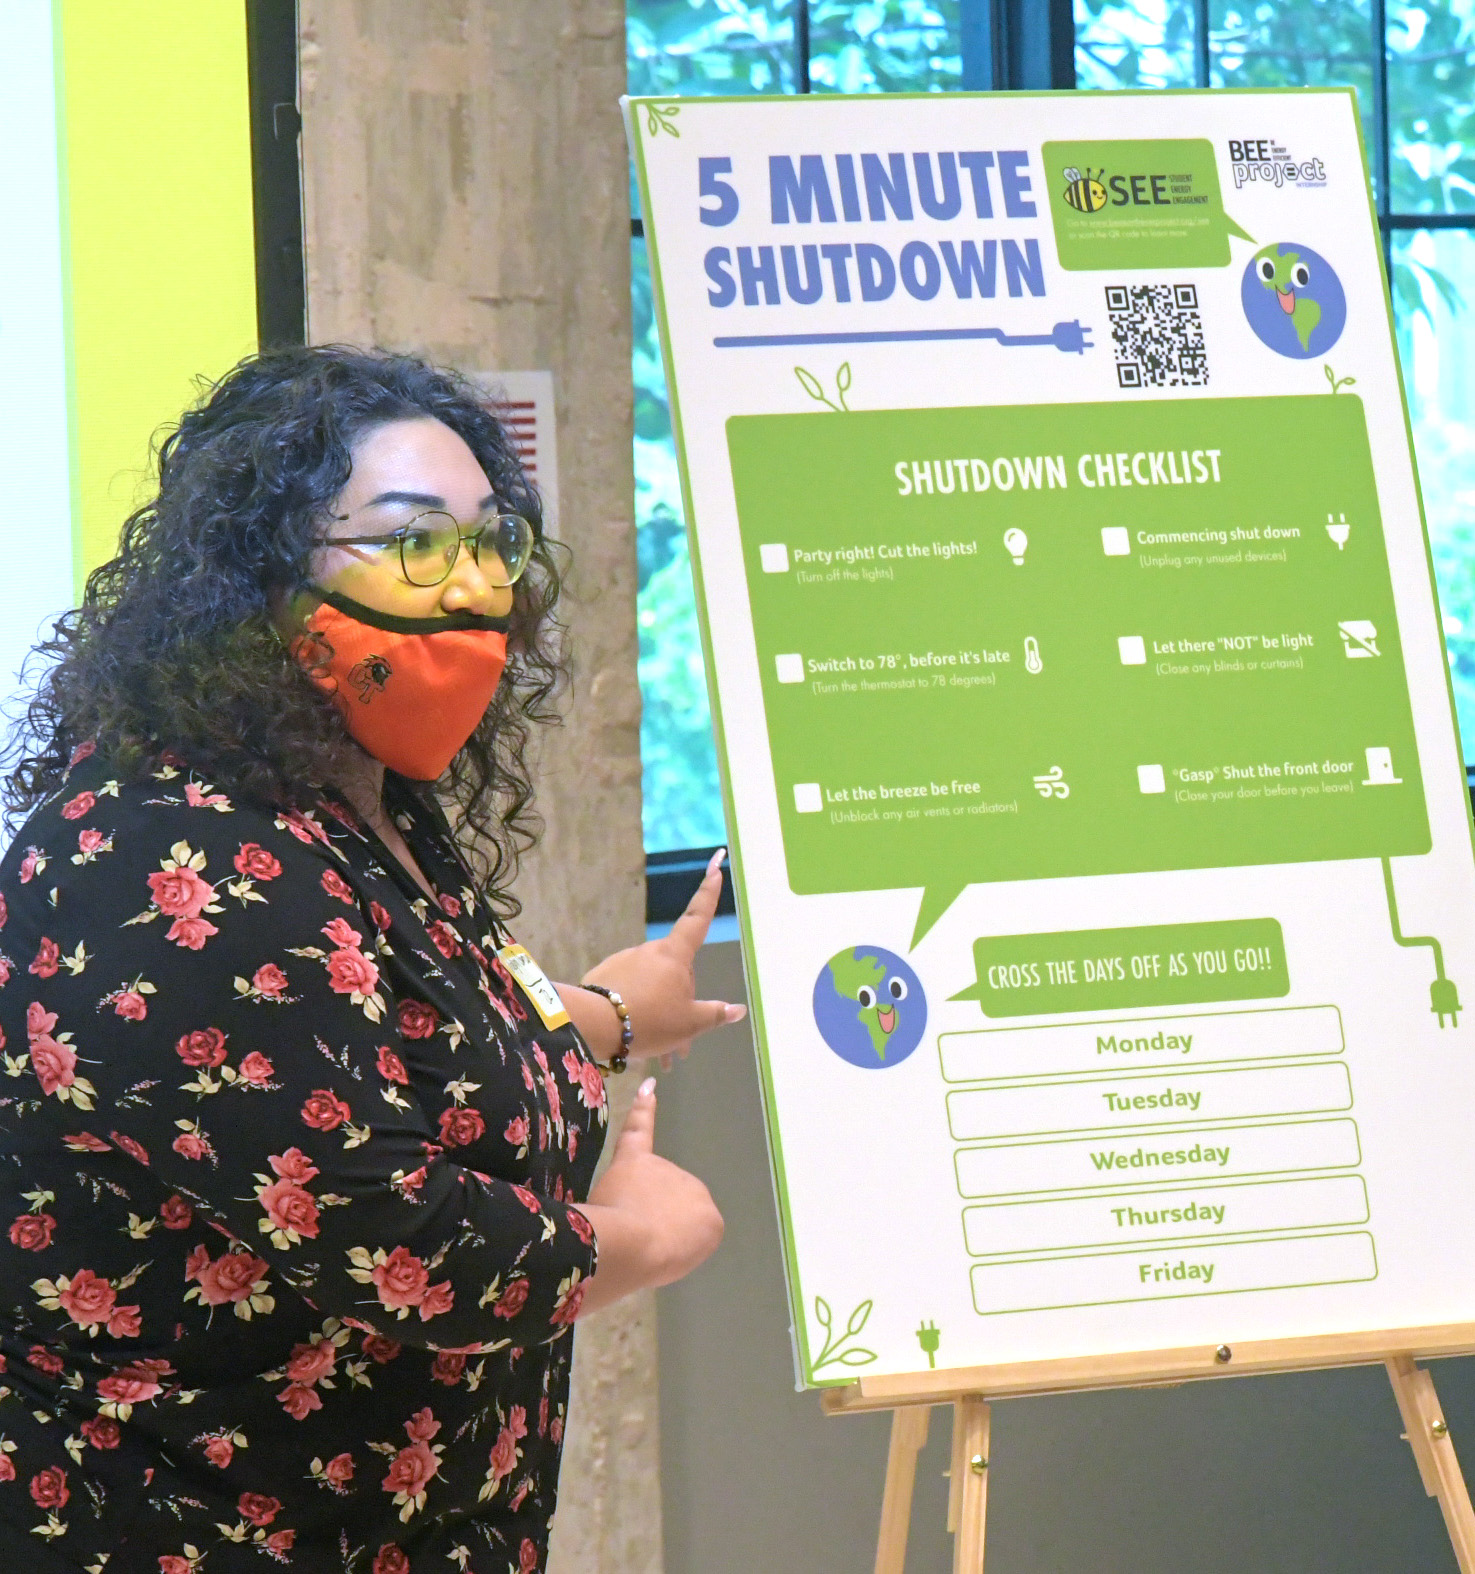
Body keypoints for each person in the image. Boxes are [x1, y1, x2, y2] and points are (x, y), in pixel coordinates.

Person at [0, 347, 739, 1572]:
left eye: (490, 539)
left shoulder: (349, 796)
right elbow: (397, 1236)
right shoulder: (164, 851)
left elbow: (395, 1034)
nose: (472, 585)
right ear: (259, 573)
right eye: (412, 540)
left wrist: (604, 1012)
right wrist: (638, 1234)